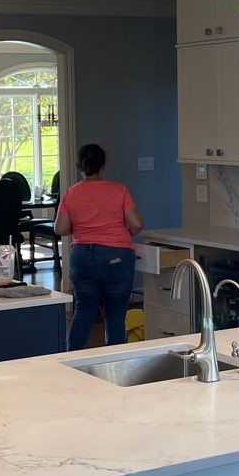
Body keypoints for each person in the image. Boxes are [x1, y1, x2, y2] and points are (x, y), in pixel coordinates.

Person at [54, 144, 143, 349]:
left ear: (79, 167)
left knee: (83, 310)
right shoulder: (119, 191)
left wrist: (83, 227)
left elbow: (61, 228)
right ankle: (115, 363)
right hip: (116, 256)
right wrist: (126, 234)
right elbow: (136, 224)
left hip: (82, 256)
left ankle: (71, 360)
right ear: (104, 166)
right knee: (115, 313)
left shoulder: (70, 193)